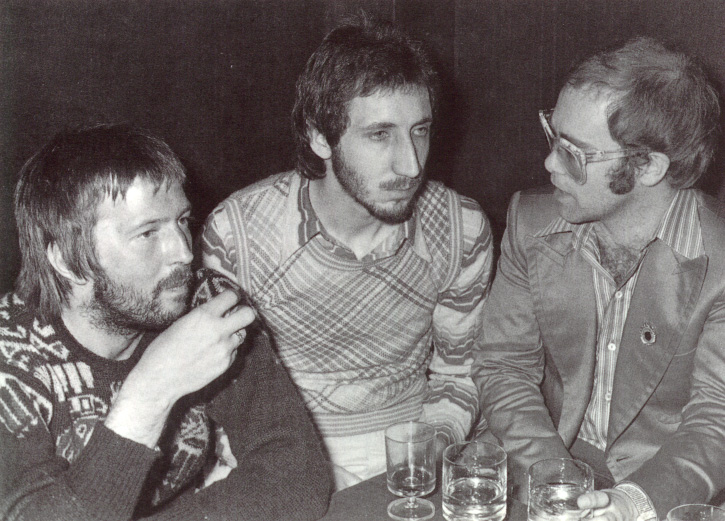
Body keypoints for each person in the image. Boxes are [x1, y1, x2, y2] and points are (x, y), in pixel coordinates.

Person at [200, 18, 494, 489]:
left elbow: (460, 373)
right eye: (380, 135)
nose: (411, 164)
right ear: (320, 137)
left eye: (420, 130)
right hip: (277, 459)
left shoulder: (462, 227)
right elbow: (222, 396)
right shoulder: (238, 233)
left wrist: (431, 447)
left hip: (414, 453)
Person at [0, 124, 331, 520]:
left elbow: (297, 476)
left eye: (181, 221)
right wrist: (150, 391)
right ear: (68, 261)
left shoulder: (203, 302)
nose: (184, 253)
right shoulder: (11, 360)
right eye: (147, 233)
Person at [472, 36, 724, 521]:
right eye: (553, 136)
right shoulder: (530, 220)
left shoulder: (720, 263)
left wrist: (631, 504)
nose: (549, 163)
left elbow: (717, 417)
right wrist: (554, 479)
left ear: (648, 166)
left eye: (575, 153)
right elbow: (504, 366)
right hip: (544, 459)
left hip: (663, 486)